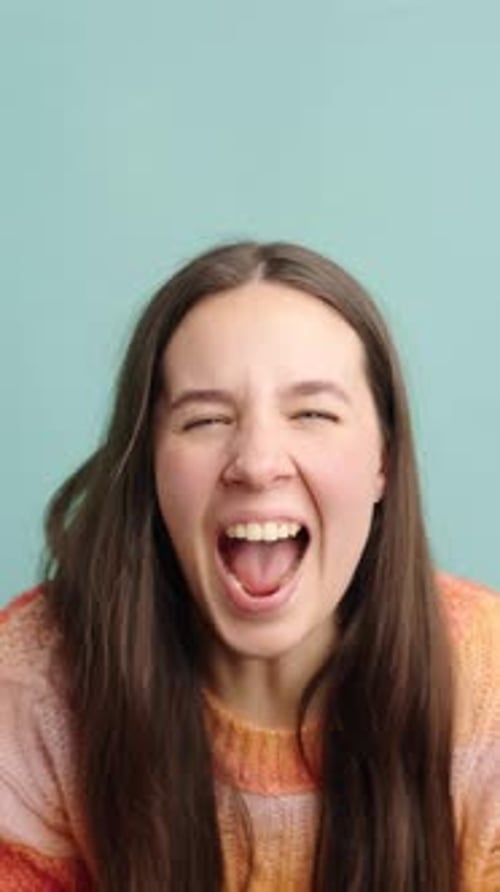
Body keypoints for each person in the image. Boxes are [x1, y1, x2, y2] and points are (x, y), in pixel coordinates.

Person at [0, 242, 499, 892]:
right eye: (205, 419)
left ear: (385, 461)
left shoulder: (487, 691)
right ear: (149, 466)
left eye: (314, 413)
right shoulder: (34, 685)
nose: (258, 462)